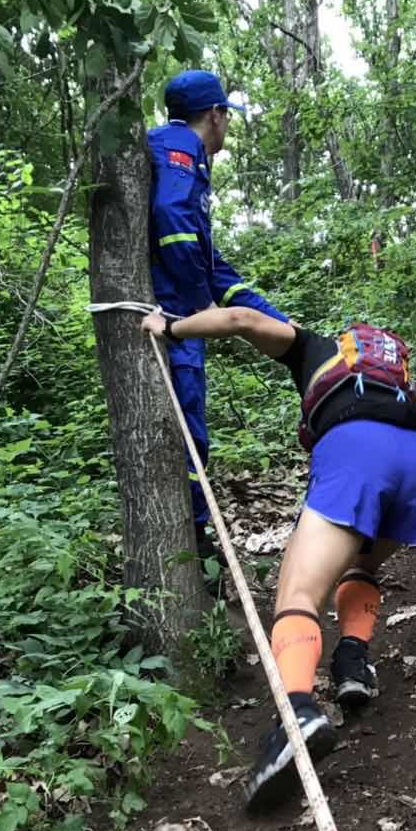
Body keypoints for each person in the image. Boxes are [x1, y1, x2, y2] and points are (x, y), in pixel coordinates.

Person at [140, 304, 416, 811]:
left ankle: (296, 714)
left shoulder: (316, 349)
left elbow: (242, 320)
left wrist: (171, 328)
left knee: (298, 593)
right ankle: (352, 661)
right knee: (361, 565)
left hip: (356, 449)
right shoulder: (406, 391)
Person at [148, 70, 287, 586]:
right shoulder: (180, 147)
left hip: (182, 310)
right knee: (191, 430)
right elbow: (173, 223)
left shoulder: (186, 157)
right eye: (227, 115)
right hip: (173, 315)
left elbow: (214, 267)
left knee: (195, 429)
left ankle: (199, 532)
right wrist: (194, 307)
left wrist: (278, 321)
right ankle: (198, 535)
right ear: (215, 114)